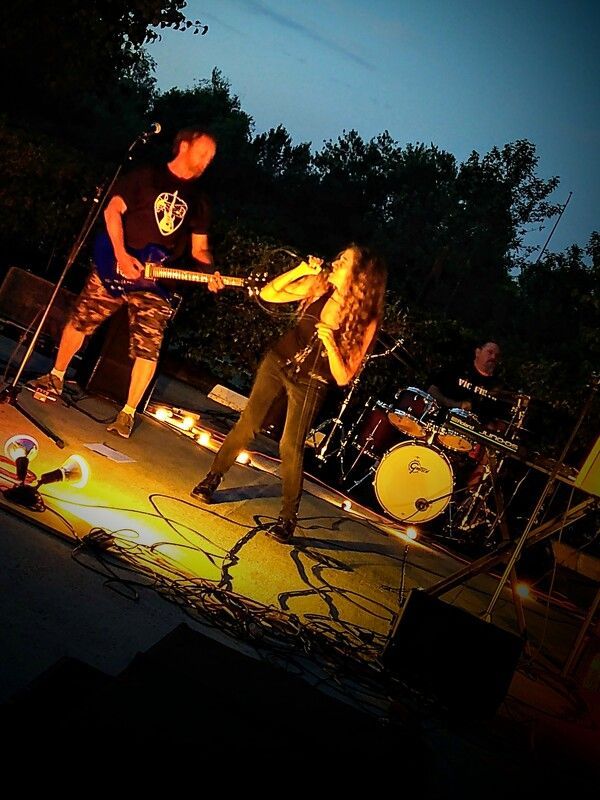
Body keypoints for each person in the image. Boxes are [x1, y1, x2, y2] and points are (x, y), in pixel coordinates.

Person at [29, 126, 224, 438]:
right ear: (184, 146)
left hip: (158, 281)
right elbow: (112, 211)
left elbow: (200, 249)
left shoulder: (199, 201)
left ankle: (128, 413)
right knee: (81, 319)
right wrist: (120, 254)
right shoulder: (145, 177)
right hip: (116, 266)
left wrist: (211, 271)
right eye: (203, 154)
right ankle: (55, 376)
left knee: (149, 348)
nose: (206, 162)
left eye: (210, 158)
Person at [191, 244, 388, 543]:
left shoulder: (365, 318)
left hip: (312, 381)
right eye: (338, 257)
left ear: (360, 276)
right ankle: (211, 479)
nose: (335, 262)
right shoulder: (318, 285)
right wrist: (301, 271)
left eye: (344, 261)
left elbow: (344, 376)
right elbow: (269, 294)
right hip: (279, 360)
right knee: (248, 424)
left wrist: (332, 344)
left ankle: (287, 518)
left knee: (290, 446)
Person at [427, 340, 505, 488]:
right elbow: (432, 391)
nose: (493, 357)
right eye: (490, 352)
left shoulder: (498, 387)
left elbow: (494, 421)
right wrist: (456, 405)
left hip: (469, 440)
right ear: (477, 352)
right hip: (439, 424)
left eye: (497, 355)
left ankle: (466, 494)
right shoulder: (458, 369)